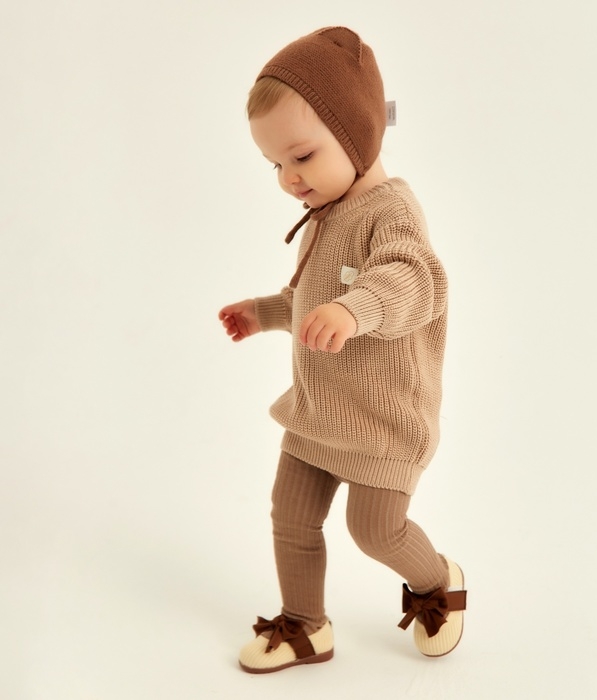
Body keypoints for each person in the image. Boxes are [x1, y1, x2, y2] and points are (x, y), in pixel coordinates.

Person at [218, 26, 466, 674]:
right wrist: (265, 312)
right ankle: (305, 624)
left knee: (375, 530)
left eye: (301, 156)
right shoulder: (325, 213)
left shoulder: (391, 212)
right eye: (275, 165)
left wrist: (355, 311)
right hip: (317, 412)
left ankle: (437, 581)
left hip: (383, 422)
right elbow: (311, 301)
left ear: (357, 133)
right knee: (291, 516)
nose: (288, 179)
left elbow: (412, 280)